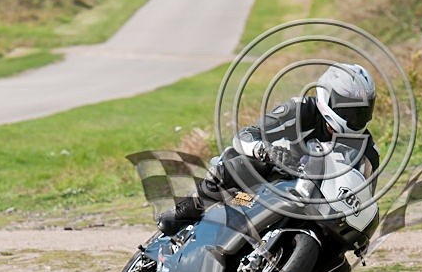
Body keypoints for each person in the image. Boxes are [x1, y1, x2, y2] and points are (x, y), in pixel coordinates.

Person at [157, 62, 380, 236]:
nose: (355, 117)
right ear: (328, 96)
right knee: (235, 168)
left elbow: (362, 201)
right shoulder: (301, 109)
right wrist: (264, 150)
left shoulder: (368, 152)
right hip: (259, 191)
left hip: (315, 209)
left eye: (362, 109)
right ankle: (186, 211)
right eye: (348, 107)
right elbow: (245, 136)